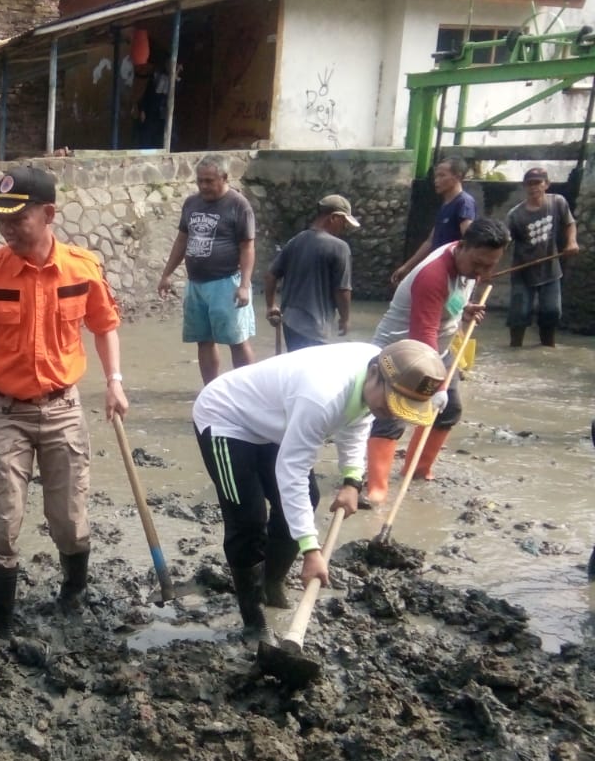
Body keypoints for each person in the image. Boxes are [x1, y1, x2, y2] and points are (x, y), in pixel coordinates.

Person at [0, 166, 128, 633]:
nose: (6, 228)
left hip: (63, 408)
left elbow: (105, 326)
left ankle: (73, 595)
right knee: (4, 520)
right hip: (5, 413)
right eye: (0, 219)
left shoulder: (83, 269)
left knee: (70, 519)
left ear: (48, 214)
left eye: (16, 218)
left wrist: (115, 381)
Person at [193, 339, 446, 645]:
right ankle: (253, 619)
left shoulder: (374, 376)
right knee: (248, 519)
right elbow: (293, 471)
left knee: (308, 499)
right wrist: (311, 551)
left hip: (277, 421)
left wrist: (352, 481)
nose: (392, 414)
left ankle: (271, 584)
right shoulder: (323, 395)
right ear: (376, 373)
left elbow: (356, 420)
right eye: (391, 404)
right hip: (227, 419)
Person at [366, 218, 508, 506]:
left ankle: (417, 469)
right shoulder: (433, 275)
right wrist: (437, 386)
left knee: (449, 409)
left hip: (436, 350)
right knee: (392, 414)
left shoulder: (466, 264)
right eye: (479, 264)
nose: (483, 272)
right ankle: (376, 487)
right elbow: (423, 335)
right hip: (402, 353)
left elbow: (445, 304)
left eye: (490, 266)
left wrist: (463, 309)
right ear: (463, 247)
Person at [157, 154, 257, 384]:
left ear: (224, 178)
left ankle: (249, 390)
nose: (203, 186)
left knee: (237, 339)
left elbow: (248, 247)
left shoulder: (239, 205)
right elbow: (182, 240)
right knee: (203, 339)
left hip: (227, 282)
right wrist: (167, 274)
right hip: (196, 284)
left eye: (209, 181)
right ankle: (211, 389)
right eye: (200, 181)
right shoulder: (192, 203)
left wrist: (244, 285)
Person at [264, 195, 358, 350]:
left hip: (290, 322)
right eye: (344, 222)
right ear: (333, 218)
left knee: (295, 368)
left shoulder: (296, 240)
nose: (345, 227)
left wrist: (271, 305)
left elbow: (271, 275)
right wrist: (345, 318)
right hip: (316, 327)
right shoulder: (340, 247)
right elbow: (342, 290)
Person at [505, 167, 579, 348]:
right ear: (525, 187)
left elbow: (570, 224)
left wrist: (571, 242)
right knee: (519, 315)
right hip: (523, 271)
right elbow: (505, 243)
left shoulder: (557, 203)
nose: (534, 187)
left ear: (546, 184)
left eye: (537, 183)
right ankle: (515, 350)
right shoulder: (515, 215)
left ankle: (547, 349)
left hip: (550, 269)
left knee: (552, 312)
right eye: (529, 184)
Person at [390, 156, 476, 286]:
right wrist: (407, 267)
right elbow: (431, 241)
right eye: (436, 176)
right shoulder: (446, 204)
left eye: (442, 176)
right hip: (439, 267)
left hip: (453, 271)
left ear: (457, 177)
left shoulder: (464, 203)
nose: (437, 181)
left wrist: (469, 270)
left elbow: (470, 239)